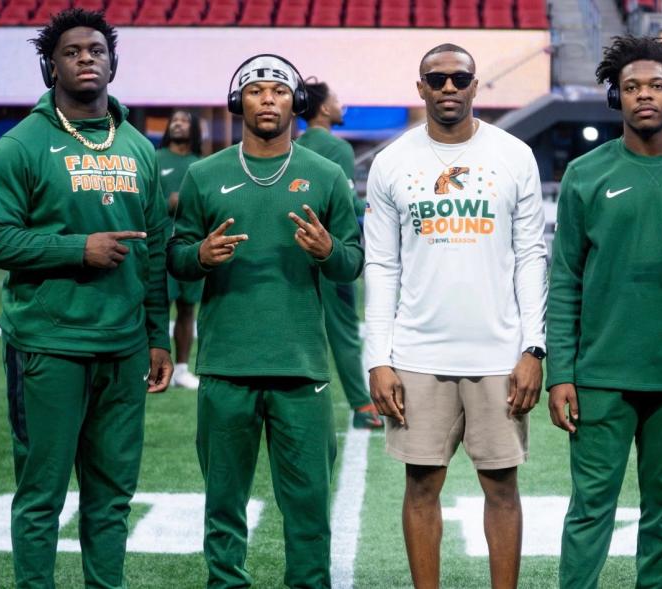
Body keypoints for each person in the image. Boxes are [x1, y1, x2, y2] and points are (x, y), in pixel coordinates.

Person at [0, 8, 172, 587]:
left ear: (113, 62)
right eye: (72, 51)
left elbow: (154, 248)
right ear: (49, 65)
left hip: (124, 345)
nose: (87, 58)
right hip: (48, 343)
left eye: (97, 50)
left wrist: (158, 336)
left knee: (111, 498)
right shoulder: (22, 143)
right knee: (42, 496)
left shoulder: (136, 145)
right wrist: (75, 249)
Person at [546, 36, 662, 589]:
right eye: (631, 87)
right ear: (616, 98)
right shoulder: (586, 175)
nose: (644, 96)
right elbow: (564, 282)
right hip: (601, 374)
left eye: (656, 85)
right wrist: (563, 372)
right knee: (589, 510)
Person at [167, 54, 363, 588]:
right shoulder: (206, 175)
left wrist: (327, 251)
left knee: (308, 508)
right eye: (256, 91)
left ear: (295, 102)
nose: (269, 99)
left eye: (280, 90)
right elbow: (176, 254)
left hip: (300, 366)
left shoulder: (325, 174)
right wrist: (200, 257)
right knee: (224, 505)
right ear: (240, 103)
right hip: (226, 364)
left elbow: (353, 260)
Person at [364, 43, 548, 589]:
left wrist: (532, 348)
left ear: (474, 85)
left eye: (458, 79)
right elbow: (381, 264)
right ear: (419, 87)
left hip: (498, 354)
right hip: (418, 355)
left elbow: (531, 258)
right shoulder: (392, 161)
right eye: (436, 79)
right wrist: (378, 358)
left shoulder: (514, 154)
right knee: (421, 487)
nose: (448, 88)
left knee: (502, 489)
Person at [298, 79, 382, 429]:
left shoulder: (296, 146)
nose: (340, 106)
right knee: (344, 331)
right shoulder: (339, 149)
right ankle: (363, 408)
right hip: (332, 249)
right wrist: (375, 206)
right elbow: (344, 202)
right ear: (323, 109)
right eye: (335, 100)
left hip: (297, 249)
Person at [155, 108, 203, 389]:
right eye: (174, 120)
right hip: (159, 247)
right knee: (159, 307)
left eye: (184, 121)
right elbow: (141, 202)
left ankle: (182, 370)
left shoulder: (200, 165)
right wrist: (167, 203)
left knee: (187, 308)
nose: (177, 124)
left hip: (191, 247)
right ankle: (155, 366)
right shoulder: (155, 159)